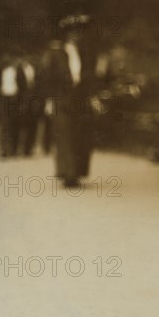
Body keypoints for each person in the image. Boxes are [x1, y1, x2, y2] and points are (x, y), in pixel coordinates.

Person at [41, 15, 101, 188]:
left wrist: (92, 97)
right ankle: (68, 174)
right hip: (61, 98)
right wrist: (49, 100)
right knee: (64, 135)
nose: (76, 35)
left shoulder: (85, 53)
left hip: (80, 99)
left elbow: (89, 78)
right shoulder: (55, 53)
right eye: (73, 31)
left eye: (79, 31)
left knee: (80, 135)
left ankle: (77, 173)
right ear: (66, 33)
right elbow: (47, 78)